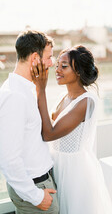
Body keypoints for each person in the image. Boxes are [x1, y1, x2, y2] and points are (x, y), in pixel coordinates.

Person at [31, 45, 112, 214]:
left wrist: (41, 88)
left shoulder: (86, 101)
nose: (58, 70)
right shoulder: (64, 97)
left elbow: (49, 134)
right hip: (57, 165)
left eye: (64, 66)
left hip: (75, 172)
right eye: (57, 65)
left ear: (78, 71)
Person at [0, 30, 59, 214]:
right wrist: (36, 196)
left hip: (39, 182)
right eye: (49, 57)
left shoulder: (25, 88)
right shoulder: (15, 96)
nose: (52, 63)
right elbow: (8, 158)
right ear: (35, 58)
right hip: (35, 187)